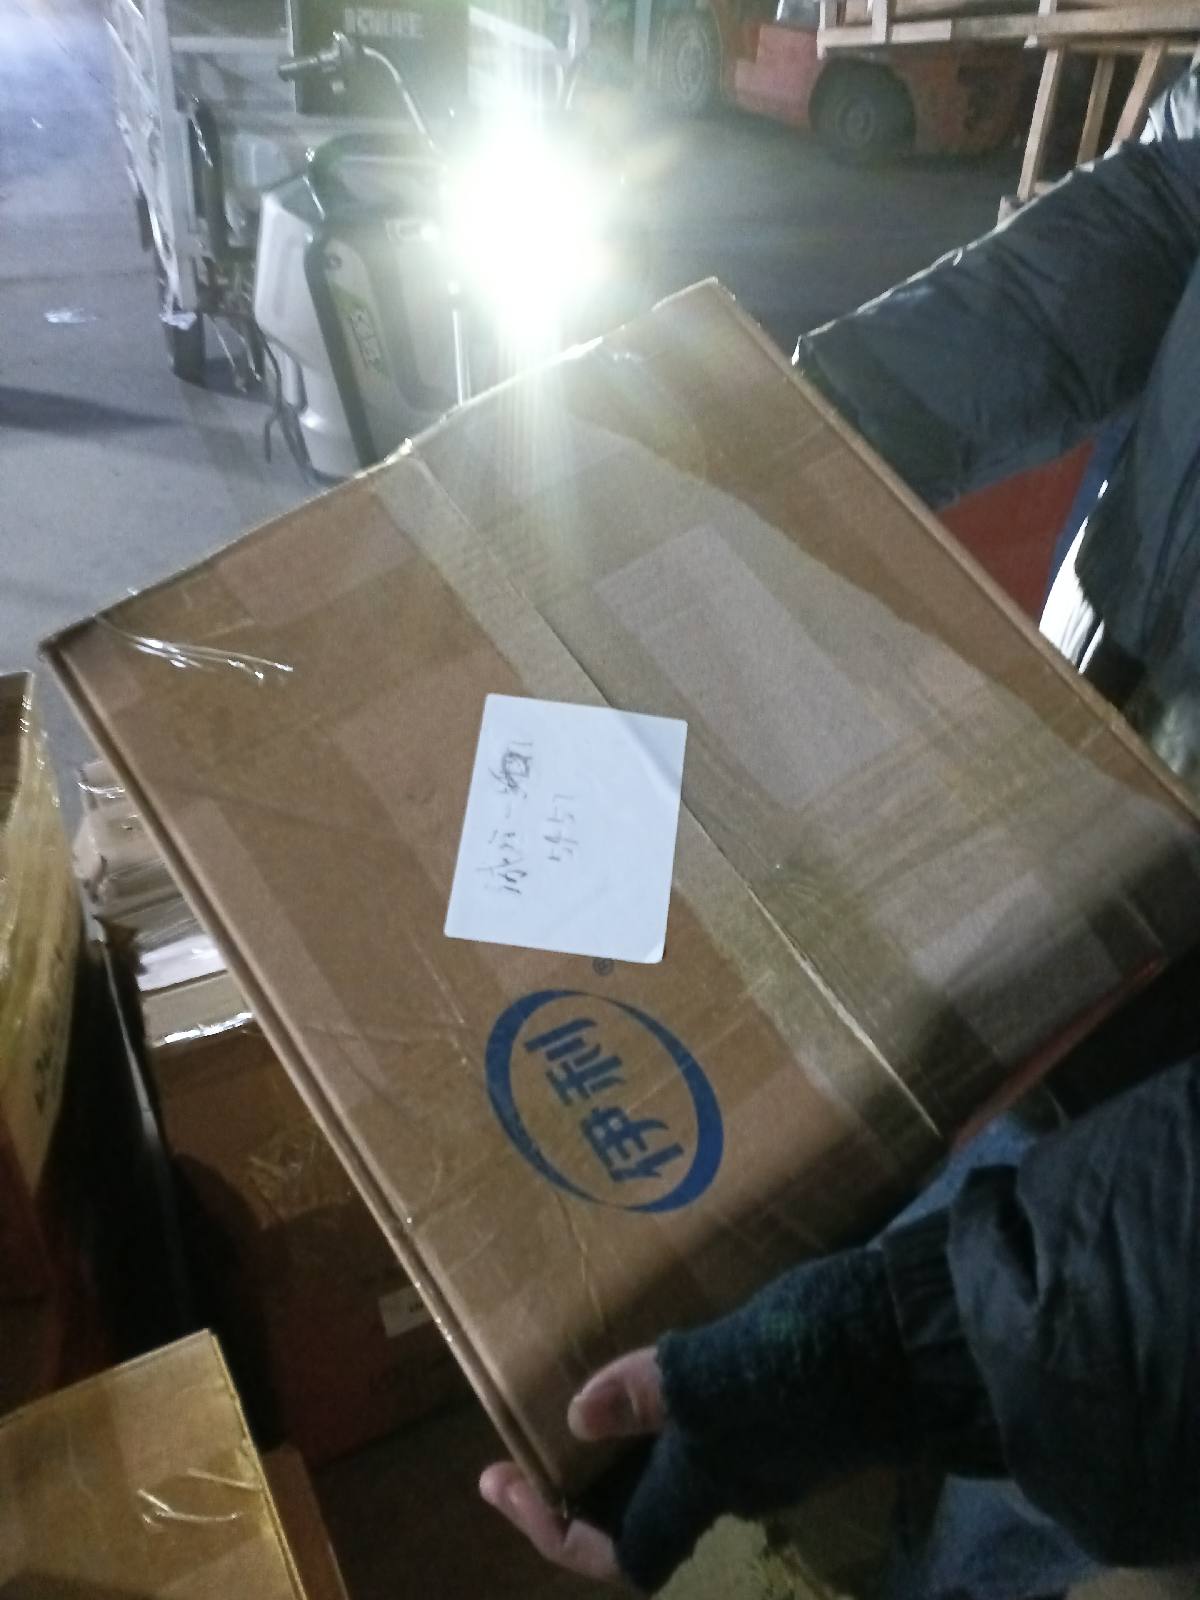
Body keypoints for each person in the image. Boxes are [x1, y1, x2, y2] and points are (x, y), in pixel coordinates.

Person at [478, 63, 1200, 1597]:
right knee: (989, 1191)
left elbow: (1114, 1292)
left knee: (1058, 1477)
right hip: (1136, 782)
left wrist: (897, 1347)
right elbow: (1171, 199)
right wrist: (789, 432)